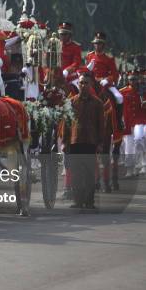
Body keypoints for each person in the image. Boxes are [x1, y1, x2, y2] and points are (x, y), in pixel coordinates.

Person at [62, 73, 105, 209]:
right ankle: (77, 201)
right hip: (75, 142)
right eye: (81, 83)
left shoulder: (98, 103)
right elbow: (66, 123)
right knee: (76, 173)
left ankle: (90, 201)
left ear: (90, 85)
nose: (83, 85)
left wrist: (100, 144)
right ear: (78, 84)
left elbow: (101, 125)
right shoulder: (71, 102)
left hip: (91, 142)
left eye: (86, 83)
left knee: (89, 173)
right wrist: (64, 142)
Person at [85, 31, 123, 130]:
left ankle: (119, 121)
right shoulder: (89, 56)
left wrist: (107, 79)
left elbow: (115, 74)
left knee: (119, 97)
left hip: (105, 83)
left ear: (103, 45)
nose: (97, 45)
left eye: (99, 43)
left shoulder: (109, 58)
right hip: (91, 82)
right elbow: (85, 71)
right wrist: (87, 68)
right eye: (96, 43)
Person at [120, 71, 144, 177]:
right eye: (130, 79)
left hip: (140, 121)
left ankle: (138, 166)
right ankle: (129, 169)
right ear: (128, 80)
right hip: (128, 122)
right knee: (128, 147)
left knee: (139, 144)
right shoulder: (123, 91)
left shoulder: (142, 91)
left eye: (134, 79)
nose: (132, 81)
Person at [58, 22, 83, 90]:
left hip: (71, 76)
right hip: (56, 75)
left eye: (65, 34)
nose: (62, 36)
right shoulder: (55, 45)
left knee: (79, 89)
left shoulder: (76, 47)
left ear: (70, 35)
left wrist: (67, 71)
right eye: (61, 34)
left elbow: (76, 63)